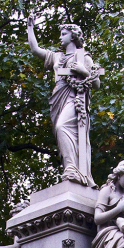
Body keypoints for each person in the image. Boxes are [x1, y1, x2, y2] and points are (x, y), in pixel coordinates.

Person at [27, 16, 101, 186]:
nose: (60, 37)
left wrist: (83, 71)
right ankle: (70, 167)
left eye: (63, 34)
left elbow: (96, 83)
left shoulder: (83, 57)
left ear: (73, 36)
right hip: (58, 97)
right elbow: (35, 49)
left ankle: (73, 170)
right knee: (60, 132)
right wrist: (30, 28)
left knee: (62, 127)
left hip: (75, 99)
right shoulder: (57, 56)